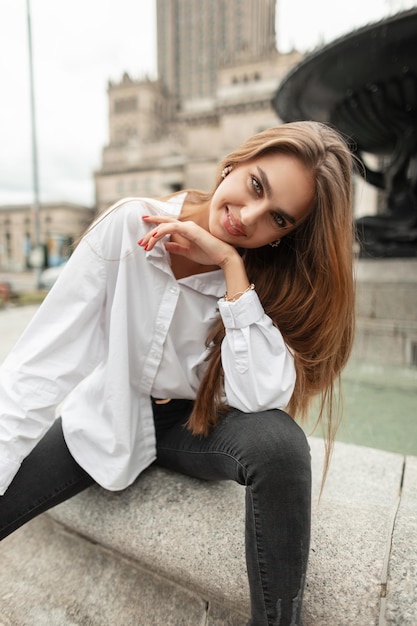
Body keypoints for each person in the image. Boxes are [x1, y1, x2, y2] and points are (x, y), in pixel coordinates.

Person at [0, 121, 355, 626]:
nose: (248, 216)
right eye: (256, 185)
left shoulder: (263, 280)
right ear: (235, 162)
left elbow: (259, 397)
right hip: (112, 414)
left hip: (199, 428)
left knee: (281, 446)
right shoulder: (129, 226)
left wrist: (232, 269)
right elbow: (39, 366)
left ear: (285, 235)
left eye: (276, 218)